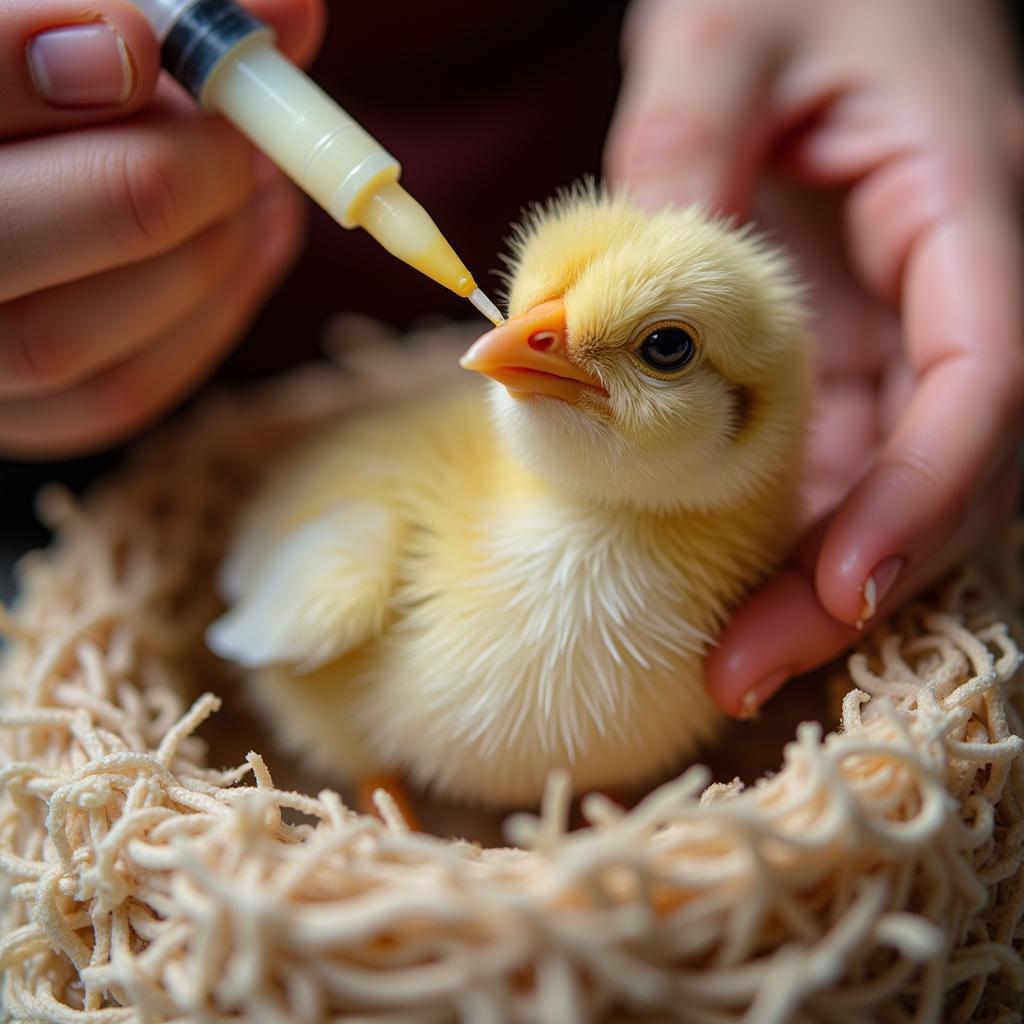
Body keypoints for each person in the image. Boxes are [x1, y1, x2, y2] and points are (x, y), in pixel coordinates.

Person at [1, 0, 1021, 717]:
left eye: (662, 349)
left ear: (754, 412)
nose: (520, 343)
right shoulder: (384, 543)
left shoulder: (740, 552)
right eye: (538, 315)